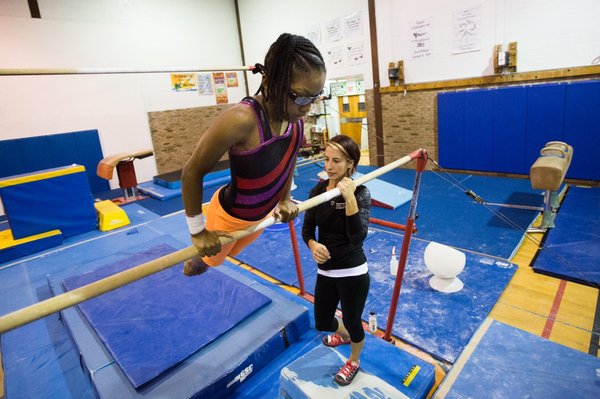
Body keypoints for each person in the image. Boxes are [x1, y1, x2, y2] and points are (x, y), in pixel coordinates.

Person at [181, 33, 326, 276]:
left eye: (315, 97)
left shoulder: (296, 121)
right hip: (228, 217)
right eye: (301, 96)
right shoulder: (241, 120)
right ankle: (193, 264)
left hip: (261, 217)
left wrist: (285, 199)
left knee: (233, 252)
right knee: (206, 263)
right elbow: (191, 172)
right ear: (269, 83)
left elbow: (287, 163)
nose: (308, 107)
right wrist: (197, 231)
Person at [301, 135, 371, 386]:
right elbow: (307, 229)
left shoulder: (361, 192)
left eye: (336, 161)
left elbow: (357, 236)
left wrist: (349, 197)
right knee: (322, 321)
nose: (329, 166)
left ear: (350, 164)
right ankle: (343, 336)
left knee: (353, 321)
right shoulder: (318, 191)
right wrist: (312, 245)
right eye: (326, 159)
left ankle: (354, 359)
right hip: (326, 272)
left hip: (352, 271)